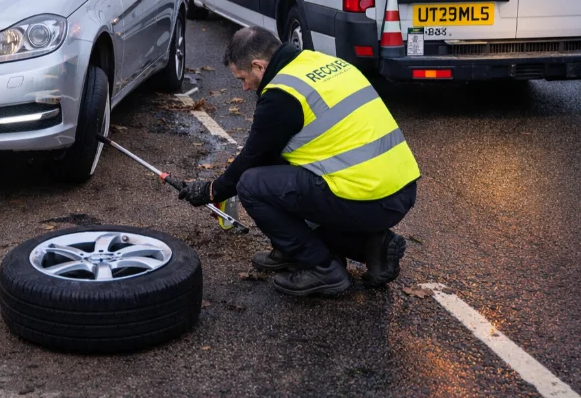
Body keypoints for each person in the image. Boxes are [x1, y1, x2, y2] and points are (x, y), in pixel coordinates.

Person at [179, 26, 419, 297]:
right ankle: (372, 247)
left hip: (366, 196)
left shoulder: (283, 94)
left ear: (259, 65)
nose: (244, 87)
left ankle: (323, 268)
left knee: (252, 186)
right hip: (400, 189)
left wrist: (212, 191)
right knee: (285, 177)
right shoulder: (323, 62)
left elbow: (253, 158)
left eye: (243, 78)